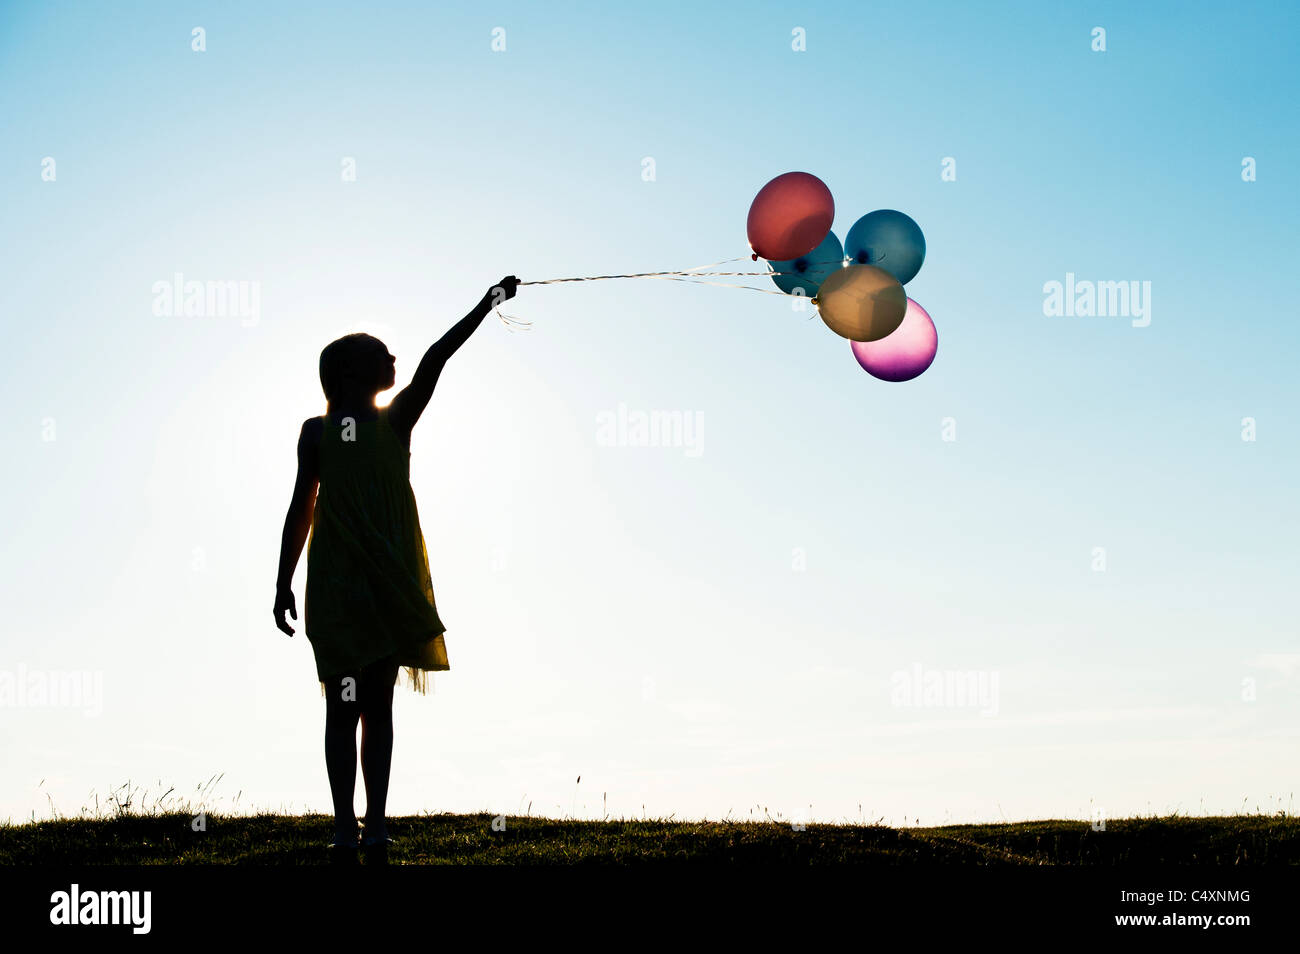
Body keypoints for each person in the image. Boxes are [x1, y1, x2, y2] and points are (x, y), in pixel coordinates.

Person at [273, 276, 520, 862]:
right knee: (345, 703)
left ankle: (374, 823)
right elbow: (300, 506)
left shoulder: (394, 420)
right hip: (337, 585)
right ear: (353, 376)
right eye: (381, 355)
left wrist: (487, 305)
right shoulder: (319, 433)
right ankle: (344, 824)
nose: (394, 358)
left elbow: (436, 358)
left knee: (373, 705)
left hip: (380, 585)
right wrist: (282, 579)